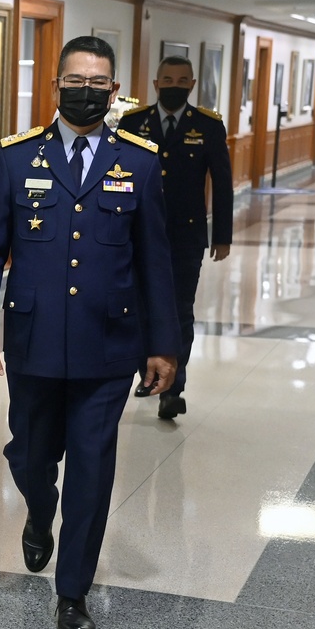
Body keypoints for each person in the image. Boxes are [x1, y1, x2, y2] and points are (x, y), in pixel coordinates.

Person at [0, 36, 180, 629]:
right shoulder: (16, 158)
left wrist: (162, 345)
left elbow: (154, 261)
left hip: (109, 344)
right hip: (33, 342)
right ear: (54, 88)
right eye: (74, 81)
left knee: (92, 465)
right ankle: (38, 507)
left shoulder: (138, 161)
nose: (85, 91)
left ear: (114, 93)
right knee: (31, 455)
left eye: (98, 83)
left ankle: (73, 591)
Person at [117, 55, 233, 419]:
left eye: (182, 80)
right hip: (137, 235)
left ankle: (174, 387)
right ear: (155, 84)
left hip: (185, 235)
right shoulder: (133, 122)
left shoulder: (208, 126)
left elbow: (224, 183)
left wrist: (222, 235)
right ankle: (147, 377)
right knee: (138, 307)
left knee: (180, 310)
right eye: (167, 79)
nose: (174, 86)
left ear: (192, 85)